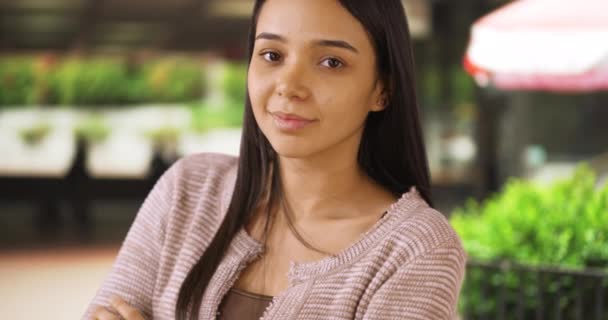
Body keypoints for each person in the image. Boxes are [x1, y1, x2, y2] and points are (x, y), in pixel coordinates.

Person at [85, 0, 466, 319]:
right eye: (272, 55)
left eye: (331, 62)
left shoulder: (415, 250)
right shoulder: (188, 190)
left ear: (382, 89)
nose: (289, 85)